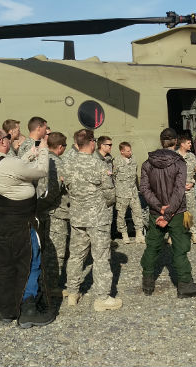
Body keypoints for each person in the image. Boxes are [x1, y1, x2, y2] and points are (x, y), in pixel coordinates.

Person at [0, 128, 55, 328]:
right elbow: (41, 171)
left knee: (5, 265)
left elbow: (16, 166)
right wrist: (44, 149)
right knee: (30, 261)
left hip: (1, 221)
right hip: (21, 222)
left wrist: (32, 152)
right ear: (3, 141)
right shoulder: (8, 163)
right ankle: (28, 309)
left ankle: (5, 310)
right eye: (8, 137)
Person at [63, 129, 122, 312]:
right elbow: (110, 193)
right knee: (101, 258)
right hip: (97, 218)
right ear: (92, 142)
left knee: (76, 256)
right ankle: (102, 298)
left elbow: (66, 187)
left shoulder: (68, 163)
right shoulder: (98, 164)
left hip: (77, 217)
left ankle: (72, 293)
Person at [140, 128, 196, 298]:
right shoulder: (180, 163)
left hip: (155, 213)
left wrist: (159, 207)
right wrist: (167, 213)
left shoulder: (147, 163)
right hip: (176, 213)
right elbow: (179, 190)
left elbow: (144, 189)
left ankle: (147, 283)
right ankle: (184, 284)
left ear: (161, 142)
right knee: (180, 248)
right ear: (175, 142)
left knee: (152, 247)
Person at [41, 132, 71, 297]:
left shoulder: (43, 158)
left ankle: (44, 282)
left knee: (45, 249)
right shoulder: (57, 163)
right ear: (60, 147)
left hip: (44, 212)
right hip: (56, 213)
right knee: (56, 252)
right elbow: (53, 190)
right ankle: (51, 286)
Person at [113, 142, 145, 244]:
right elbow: (113, 177)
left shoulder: (133, 160)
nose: (130, 152)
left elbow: (135, 175)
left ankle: (139, 234)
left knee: (138, 213)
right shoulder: (116, 162)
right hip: (122, 193)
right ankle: (124, 234)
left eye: (130, 150)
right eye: (128, 151)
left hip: (133, 192)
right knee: (121, 215)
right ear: (122, 151)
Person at [177, 132, 196, 244]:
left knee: (191, 212)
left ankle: (193, 233)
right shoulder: (174, 157)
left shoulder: (192, 157)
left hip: (189, 190)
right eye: (188, 143)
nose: (190, 144)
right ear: (182, 144)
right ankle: (174, 235)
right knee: (176, 213)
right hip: (176, 191)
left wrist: (192, 182)